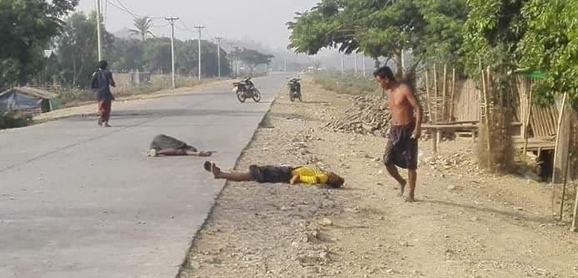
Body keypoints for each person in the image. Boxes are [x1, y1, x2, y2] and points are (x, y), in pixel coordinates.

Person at [373, 66, 422, 202]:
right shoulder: (388, 91)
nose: (379, 84)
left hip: (408, 129)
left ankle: (411, 194)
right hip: (395, 130)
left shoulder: (404, 89)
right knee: (387, 160)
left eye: (379, 81)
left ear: (386, 79)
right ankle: (401, 181)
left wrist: (417, 128)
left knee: (410, 163)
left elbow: (418, 108)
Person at [203, 161, 345, 188]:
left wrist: (296, 178)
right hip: (285, 171)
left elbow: (310, 179)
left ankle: (220, 174)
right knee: (251, 175)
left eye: (335, 176)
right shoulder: (322, 173)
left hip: (284, 174)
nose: (333, 174)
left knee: (252, 174)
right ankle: (222, 173)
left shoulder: (323, 177)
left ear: (333, 179)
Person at [91, 60, 116, 127]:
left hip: (99, 93)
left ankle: (100, 116)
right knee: (107, 108)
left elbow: (92, 83)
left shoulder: (96, 74)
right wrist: (113, 84)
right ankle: (105, 122)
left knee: (101, 106)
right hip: (106, 92)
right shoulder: (108, 73)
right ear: (106, 66)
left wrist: (95, 90)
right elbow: (111, 82)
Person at [146, 134, 213, 157]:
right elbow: (177, 151)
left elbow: (177, 151)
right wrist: (197, 153)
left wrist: (198, 153)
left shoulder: (181, 146)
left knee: (177, 151)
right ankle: (155, 152)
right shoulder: (182, 147)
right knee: (178, 151)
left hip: (157, 142)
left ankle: (154, 152)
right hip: (158, 141)